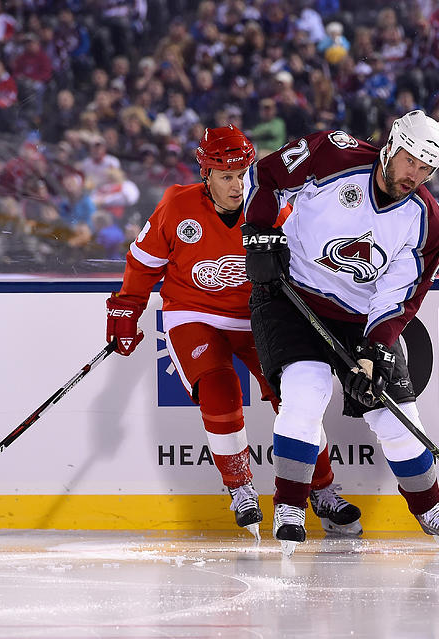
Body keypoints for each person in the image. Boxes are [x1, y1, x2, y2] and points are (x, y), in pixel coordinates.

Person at [105, 125, 362, 539]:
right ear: (205, 175)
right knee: (219, 390)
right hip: (193, 312)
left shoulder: (271, 206)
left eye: (242, 174)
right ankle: (241, 488)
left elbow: (308, 263)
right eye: (226, 176)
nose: (237, 184)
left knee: (295, 397)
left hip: (259, 315)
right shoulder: (176, 206)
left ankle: (323, 489)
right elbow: (143, 263)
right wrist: (126, 308)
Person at [242, 110, 439, 553]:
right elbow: (266, 177)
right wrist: (259, 232)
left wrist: (375, 349)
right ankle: (290, 505)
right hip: (292, 295)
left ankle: (429, 508)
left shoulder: (430, 224)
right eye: (410, 161)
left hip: (358, 317)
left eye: (427, 168)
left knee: (396, 415)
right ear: (392, 144)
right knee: (305, 393)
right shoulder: (333, 154)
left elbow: (400, 295)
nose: (415, 174)